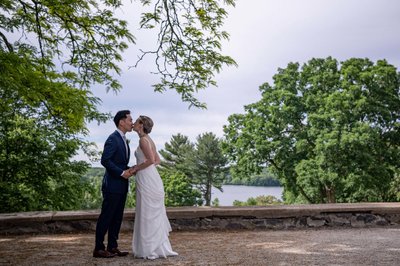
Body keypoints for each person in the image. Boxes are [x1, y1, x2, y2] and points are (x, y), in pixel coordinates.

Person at [130, 115, 178, 260]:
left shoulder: (143, 140)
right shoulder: (149, 140)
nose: (133, 123)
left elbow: (152, 160)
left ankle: (149, 249)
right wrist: (144, 168)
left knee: (146, 212)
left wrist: (136, 168)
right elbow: (157, 160)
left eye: (136, 121)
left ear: (141, 125)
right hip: (151, 177)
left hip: (147, 180)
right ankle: (155, 247)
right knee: (148, 213)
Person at [93, 110, 133, 258]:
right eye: (130, 120)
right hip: (112, 186)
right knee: (107, 217)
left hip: (121, 186)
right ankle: (98, 248)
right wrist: (122, 173)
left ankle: (112, 246)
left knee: (117, 218)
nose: (132, 123)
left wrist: (131, 169)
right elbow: (105, 160)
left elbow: (120, 163)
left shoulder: (124, 139)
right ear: (121, 122)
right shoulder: (113, 138)